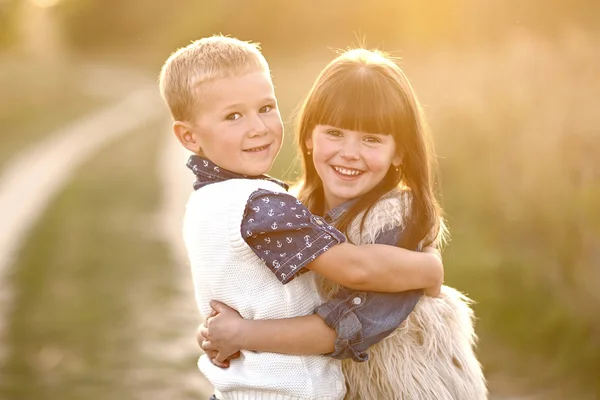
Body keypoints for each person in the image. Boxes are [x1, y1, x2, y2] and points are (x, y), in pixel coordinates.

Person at [158, 35, 444, 400]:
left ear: (399, 152)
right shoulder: (265, 208)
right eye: (233, 116)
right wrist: (429, 270)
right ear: (309, 136)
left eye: (265, 108)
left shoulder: (212, 202)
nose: (258, 127)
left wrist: (235, 332)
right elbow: (354, 268)